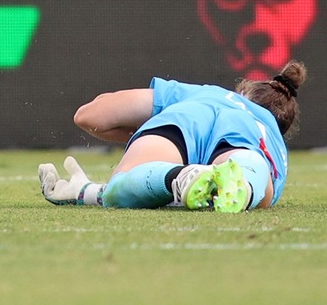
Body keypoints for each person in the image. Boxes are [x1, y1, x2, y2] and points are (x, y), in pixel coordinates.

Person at [37, 61, 304, 212]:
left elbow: (91, 116)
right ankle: (240, 186)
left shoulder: (205, 94)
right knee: (253, 175)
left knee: (121, 187)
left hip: (183, 121)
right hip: (247, 144)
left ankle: (177, 177)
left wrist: (151, 126)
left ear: (242, 91)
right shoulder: (271, 135)